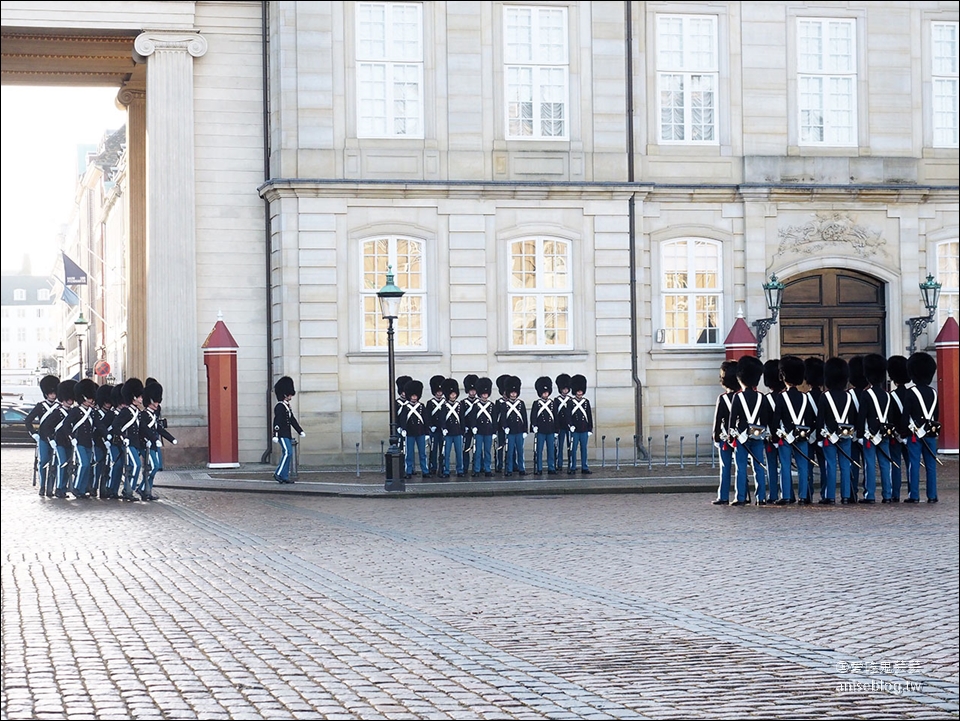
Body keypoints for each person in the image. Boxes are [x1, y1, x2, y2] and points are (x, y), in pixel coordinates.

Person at [774, 355, 818, 505]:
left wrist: (777, 435)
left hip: (786, 436)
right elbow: (812, 420)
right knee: (803, 467)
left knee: (785, 466)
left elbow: (776, 419)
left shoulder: (781, 397)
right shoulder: (805, 397)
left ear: (783, 376)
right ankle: (804, 496)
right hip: (802, 436)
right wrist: (805, 432)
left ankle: (786, 495)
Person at [728, 356, 769, 505]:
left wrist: (731, 437)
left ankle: (740, 497)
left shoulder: (738, 397)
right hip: (757, 436)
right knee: (759, 467)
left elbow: (732, 421)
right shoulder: (761, 397)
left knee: (741, 469)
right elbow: (765, 419)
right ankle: (761, 497)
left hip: (741, 437)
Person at [817, 357, 856, 505]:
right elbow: (852, 417)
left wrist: (821, 437)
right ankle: (845, 496)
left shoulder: (825, 396)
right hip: (845, 435)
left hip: (829, 436)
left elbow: (821, 419)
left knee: (831, 465)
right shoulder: (848, 396)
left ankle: (830, 495)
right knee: (845, 465)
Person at [904, 352, 939, 503]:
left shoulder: (911, 392)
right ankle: (932, 495)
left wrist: (903, 431)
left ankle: (914, 495)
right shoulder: (933, 392)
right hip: (930, 433)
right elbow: (936, 414)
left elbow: (906, 415)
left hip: (915, 433)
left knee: (914, 464)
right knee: (931, 466)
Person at [859, 354, 892, 504]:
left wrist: (860, 433)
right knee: (885, 464)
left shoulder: (866, 394)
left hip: (869, 434)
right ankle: (887, 494)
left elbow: (862, 416)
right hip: (884, 432)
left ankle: (870, 495)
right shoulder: (887, 395)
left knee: (870, 464)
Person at [40, 380, 77, 499]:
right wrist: (51, 439)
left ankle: (63, 487)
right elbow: (46, 427)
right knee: (62, 463)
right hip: (59, 441)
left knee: (68, 465)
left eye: (72, 399)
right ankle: (59, 488)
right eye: (68, 399)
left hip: (69, 442)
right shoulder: (57, 412)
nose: (70, 401)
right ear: (63, 398)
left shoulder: (72, 412)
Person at [25, 374, 60, 497]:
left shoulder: (59, 407)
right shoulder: (40, 406)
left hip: (56, 438)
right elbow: (28, 420)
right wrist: (34, 434)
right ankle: (42, 486)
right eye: (50, 393)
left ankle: (52, 486)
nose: (53, 395)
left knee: (55, 463)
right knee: (44, 461)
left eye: (54, 393)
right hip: (44, 438)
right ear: (46, 393)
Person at [141, 382, 178, 500]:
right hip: (145, 445)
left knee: (154, 467)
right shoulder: (144, 415)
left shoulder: (153, 415)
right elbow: (144, 429)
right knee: (153, 467)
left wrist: (171, 439)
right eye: (155, 401)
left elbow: (159, 429)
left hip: (152, 445)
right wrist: (153, 439)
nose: (157, 404)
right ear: (150, 401)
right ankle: (144, 488)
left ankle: (147, 489)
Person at [711, 360, 740, 505]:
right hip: (739, 437)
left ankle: (723, 496)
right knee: (740, 468)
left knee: (725, 467)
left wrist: (715, 436)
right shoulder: (741, 397)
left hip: (724, 437)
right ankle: (741, 494)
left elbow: (717, 420)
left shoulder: (722, 398)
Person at [65, 379, 98, 498]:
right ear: (83, 397)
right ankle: (77, 487)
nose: (91, 400)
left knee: (88, 465)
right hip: (79, 442)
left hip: (89, 442)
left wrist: (107, 436)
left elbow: (99, 425)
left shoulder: (92, 412)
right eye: (89, 398)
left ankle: (83, 490)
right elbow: (66, 424)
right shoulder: (76, 411)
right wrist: (71, 437)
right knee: (83, 464)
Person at [115, 378, 145, 501]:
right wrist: (123, 438)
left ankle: (128, 489)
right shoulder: (126, 412)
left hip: (135, 443)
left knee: (133, 466)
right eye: (139, 397)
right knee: (136, 465)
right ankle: (129, 490)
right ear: (133, 397)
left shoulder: (137, 411)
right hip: (127, 443)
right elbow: (116, 426)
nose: (141, 399)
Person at [887, 354, 911, 502]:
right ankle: (911, 492)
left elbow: (890, 417)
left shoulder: (891, 396)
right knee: (911, 464)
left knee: (895, 463)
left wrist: (896, 432)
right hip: (909, 434)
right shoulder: (911, 394)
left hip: (895, 435)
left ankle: (895, 493)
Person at [272, 375, 304, 484]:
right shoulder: (279, 406)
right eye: (289, 394)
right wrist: (275, 435)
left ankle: (284, 476)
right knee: (287, 453)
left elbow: (292, 420)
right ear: (285, 394)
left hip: (287, 434)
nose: (291, 396)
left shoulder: (287, 406)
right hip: (281, 434)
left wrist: (300, 430)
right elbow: (277, 422)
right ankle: (278, 473)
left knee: (288, 454)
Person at [803, 357, 826, 502]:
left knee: (807, 466)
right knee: (825, 467)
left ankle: (807, 494)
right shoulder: (825, 396)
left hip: (809, 435)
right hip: (823, 435)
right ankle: (826, 493)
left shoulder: (805, 398)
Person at [762, 359, 785, 502]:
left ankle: (773, 494)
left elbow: (763, 419)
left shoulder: (765, 399)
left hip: (770, 437)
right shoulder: (785, 397)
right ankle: (787, 493)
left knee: (771, 466)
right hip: (785, 437)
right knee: (785, 465)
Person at [846, 356, 868, 502]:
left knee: (853, 463)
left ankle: (852, 491)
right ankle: (868, 491)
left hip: (853, 435)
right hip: (868, 433)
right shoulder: (869, 394)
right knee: (868, 464)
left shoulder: (849, 395)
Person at [398, 379, 429, 480]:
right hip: (410, 433)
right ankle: (409, 471)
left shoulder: (421, 406)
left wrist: (427, 432)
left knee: (423, 453)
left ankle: (425, 470)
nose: (414, 397)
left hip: (420, 432)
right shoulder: (405, 407)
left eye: (416, 396)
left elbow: (426, 419)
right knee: (409, 454)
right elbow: (402, 419)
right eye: (413, 395)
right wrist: (403, 429)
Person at [468, 377, 496, 478]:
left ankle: (487, 469)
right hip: (479, 431)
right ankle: (476, 469)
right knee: (478, 451)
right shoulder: (476, 406)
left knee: (487, 451)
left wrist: (494, 432)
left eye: (486, 394)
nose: (485, 395)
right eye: (483, 394)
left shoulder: (491, 405)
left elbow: (494, 419)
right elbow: (473, 418)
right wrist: (473, 427)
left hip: (488, 431)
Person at [530, 376, 558, 476]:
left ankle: (551, 467)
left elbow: (555, 417)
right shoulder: (536, 403)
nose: (545, 393)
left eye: (547, 392)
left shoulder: (552, 403)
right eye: (543, 392)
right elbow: (533, 416)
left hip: (550, 430)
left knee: (551, 450)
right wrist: (534, 426)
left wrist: (556, 430)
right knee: (539, 450)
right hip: (541, 430)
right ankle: (539, 468)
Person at [567, 374, 593, 475]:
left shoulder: (586, 402)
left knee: (584, 449)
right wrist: (570, 425)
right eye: (578, 390)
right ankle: (573, 467)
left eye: (581, 390)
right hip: (575, 430)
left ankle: (584, 467)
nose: (579, 392)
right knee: (573, 449)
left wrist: (590, 428)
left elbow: (589, 416)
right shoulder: (570, 402)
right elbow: (568, 415)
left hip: (584, 429)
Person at [501, 376, 527, 476]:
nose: (513, 394)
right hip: (510, 431)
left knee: (520, 451)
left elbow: (524, 418)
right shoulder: (505, 404)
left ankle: (522, 468)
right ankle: (509, 469)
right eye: (511, 392)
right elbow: (503, 418)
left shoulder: (521, 403)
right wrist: (505, 427)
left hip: (519, 430)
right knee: (510, 452)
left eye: (514, 392)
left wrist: (525, 430)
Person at [440, 378, 465, 478]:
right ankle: (446, 470)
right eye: (451, 394)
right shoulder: (444, 406)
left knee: (459, 453)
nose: (453, 395)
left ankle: (460, 470)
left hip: (457, 432)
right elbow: (442, 419)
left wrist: (463, 430)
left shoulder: (459, 405)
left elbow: (462, 418)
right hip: (448, 433)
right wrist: (443, 428)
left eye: (454, 393)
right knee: (446, 453)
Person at [93, 384, 114, 498]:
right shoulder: (96, 413)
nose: (108, 403)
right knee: (98, 465)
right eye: (106, 401)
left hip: (109, 443)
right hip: (97, 442)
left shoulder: (112, 414)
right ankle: (94, 487)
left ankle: (105, 487)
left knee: (108, 467)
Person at [426, 375, 446, 476]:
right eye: (437, 391)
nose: (439, 393)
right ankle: (432, 467)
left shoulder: (445, 403)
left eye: (440, 391)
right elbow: (427, 416)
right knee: (433, 450)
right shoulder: (430, 403)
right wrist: (430, 426)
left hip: (443, 430)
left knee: (442, 450)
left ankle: (441, 467)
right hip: (434, 430)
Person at [554, 373, 573, 472]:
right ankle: (559, 463)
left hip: (569, 426)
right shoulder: (556, 400)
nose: (565, 390)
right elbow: (555, 415)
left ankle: (571, 463)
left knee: (570, 446)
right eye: (563, 389)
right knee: (560, 446)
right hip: (560, 426)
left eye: (566, 389)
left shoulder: (571, 400)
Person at [461, 374, 479, 474]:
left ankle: (478, 466)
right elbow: (462, 417)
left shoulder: (479, 402)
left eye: (474, 390)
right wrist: (465, 427)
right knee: (466, 448)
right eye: (471, 390)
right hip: (467, 429)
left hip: (477, 428)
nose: (473, 392)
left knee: (478, 449)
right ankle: (465, 467)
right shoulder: (463, 403)